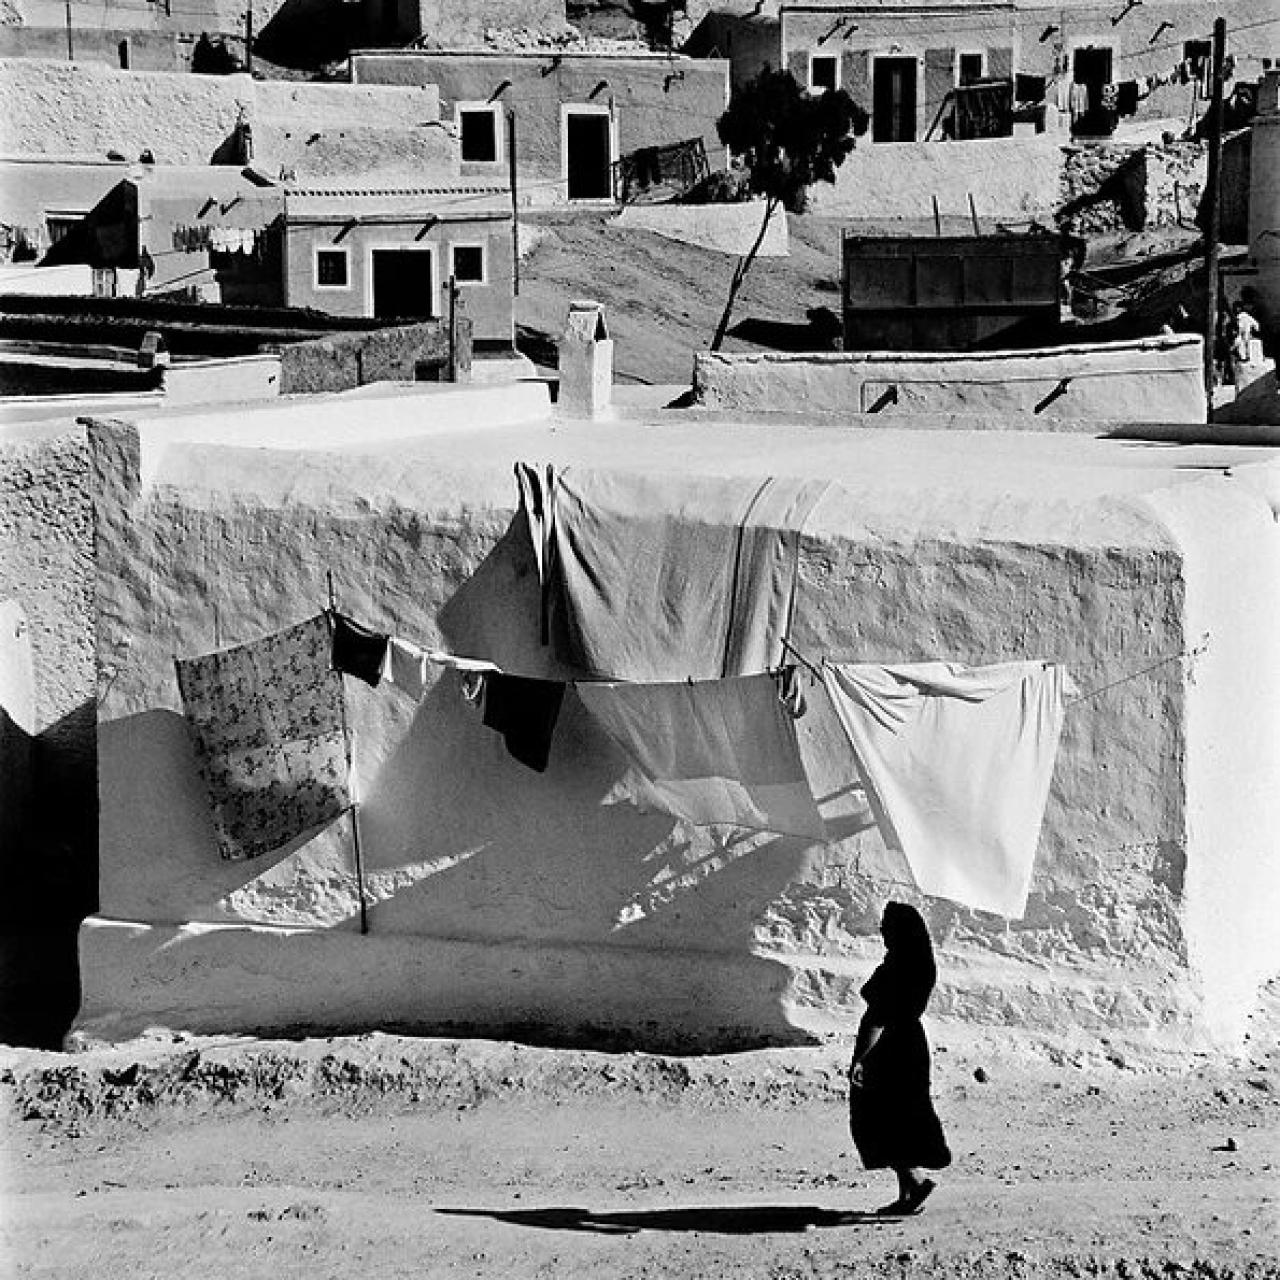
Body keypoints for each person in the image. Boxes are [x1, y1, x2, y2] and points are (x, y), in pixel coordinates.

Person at [848, 901, 952, 1216]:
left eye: (885, 924)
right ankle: (907, 1195)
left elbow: (876, 1019)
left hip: (889, 1049)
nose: (880, 929)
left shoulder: (895, 968)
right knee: (904, 1114)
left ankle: (915, 1180)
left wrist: (860, 1059)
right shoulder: (921, 964)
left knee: (879, 1116)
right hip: (912, 1045)